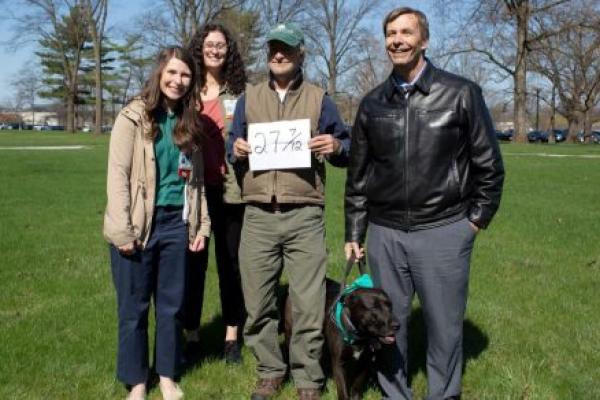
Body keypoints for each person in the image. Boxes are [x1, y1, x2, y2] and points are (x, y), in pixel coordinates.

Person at [344, 7, 504, 400]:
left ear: (424, 40)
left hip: (444, 230)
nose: (396, 39)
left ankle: (443, 394)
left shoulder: (461, 93)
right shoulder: (371, 104)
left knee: (445, 328)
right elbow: (358, 177)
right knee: (384, 325)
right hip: (385, 233)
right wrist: (354, 231)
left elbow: (490, 167)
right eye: (390, 33)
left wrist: (473, 223)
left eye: (405, 32)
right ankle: (394, 394)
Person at [229, 22, 350, 400]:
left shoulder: (319, 98)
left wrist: (334, 145)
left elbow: (346, 146)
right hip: (259, 214)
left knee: (309, 304)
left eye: (287, 48)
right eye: (273, 48)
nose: (279, 54)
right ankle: (269, 370)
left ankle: (308, 379)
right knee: (258, 301)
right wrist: (236, 149)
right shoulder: (249, 97)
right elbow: (234, 141)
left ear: (300, 55)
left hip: (304, 215)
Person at [103, 46, 210, 400]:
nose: (178, 81)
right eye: (173, 73)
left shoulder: (189, 121)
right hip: (136, 224)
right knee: (133, 308)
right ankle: (136, 380)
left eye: (185, 76)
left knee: (172, 306)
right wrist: (122, 230)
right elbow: (117, 175)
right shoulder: (132, 117)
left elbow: (196, 182)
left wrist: (201, 225)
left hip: (175, 224)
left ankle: (167, 375)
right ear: (159, 73)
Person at [184, 23, 247, 364]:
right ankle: (191, 335)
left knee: (230, 265)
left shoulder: (241, 91)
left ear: (229, 51)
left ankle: (231, 337)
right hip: (193, 192)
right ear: (200, 48)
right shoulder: (185, 89)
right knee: (193, 265)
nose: (215, 50)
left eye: (221, 45)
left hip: (230, 192)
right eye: (209, 44)